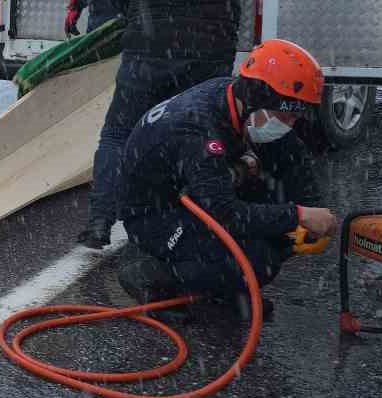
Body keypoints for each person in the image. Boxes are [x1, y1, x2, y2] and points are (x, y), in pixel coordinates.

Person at [78, 0, 297, 249]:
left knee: (118, 135)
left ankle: (99, 221)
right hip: (207, 55)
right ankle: (197, 221)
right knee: (200, 136)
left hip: (146, 53)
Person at [116, 39, 339, 322]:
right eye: (286, 115)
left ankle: (223, 285)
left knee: (279, 223)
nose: (290, 123)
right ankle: (152, 275)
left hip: (191, 188)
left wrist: (312, 207)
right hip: (155, 215)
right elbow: (227, 215)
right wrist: (297, 215)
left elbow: (291, 155)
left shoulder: (234, 95)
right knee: (259, 261)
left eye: (295, 117)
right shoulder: (196, 130)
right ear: (258, 100)